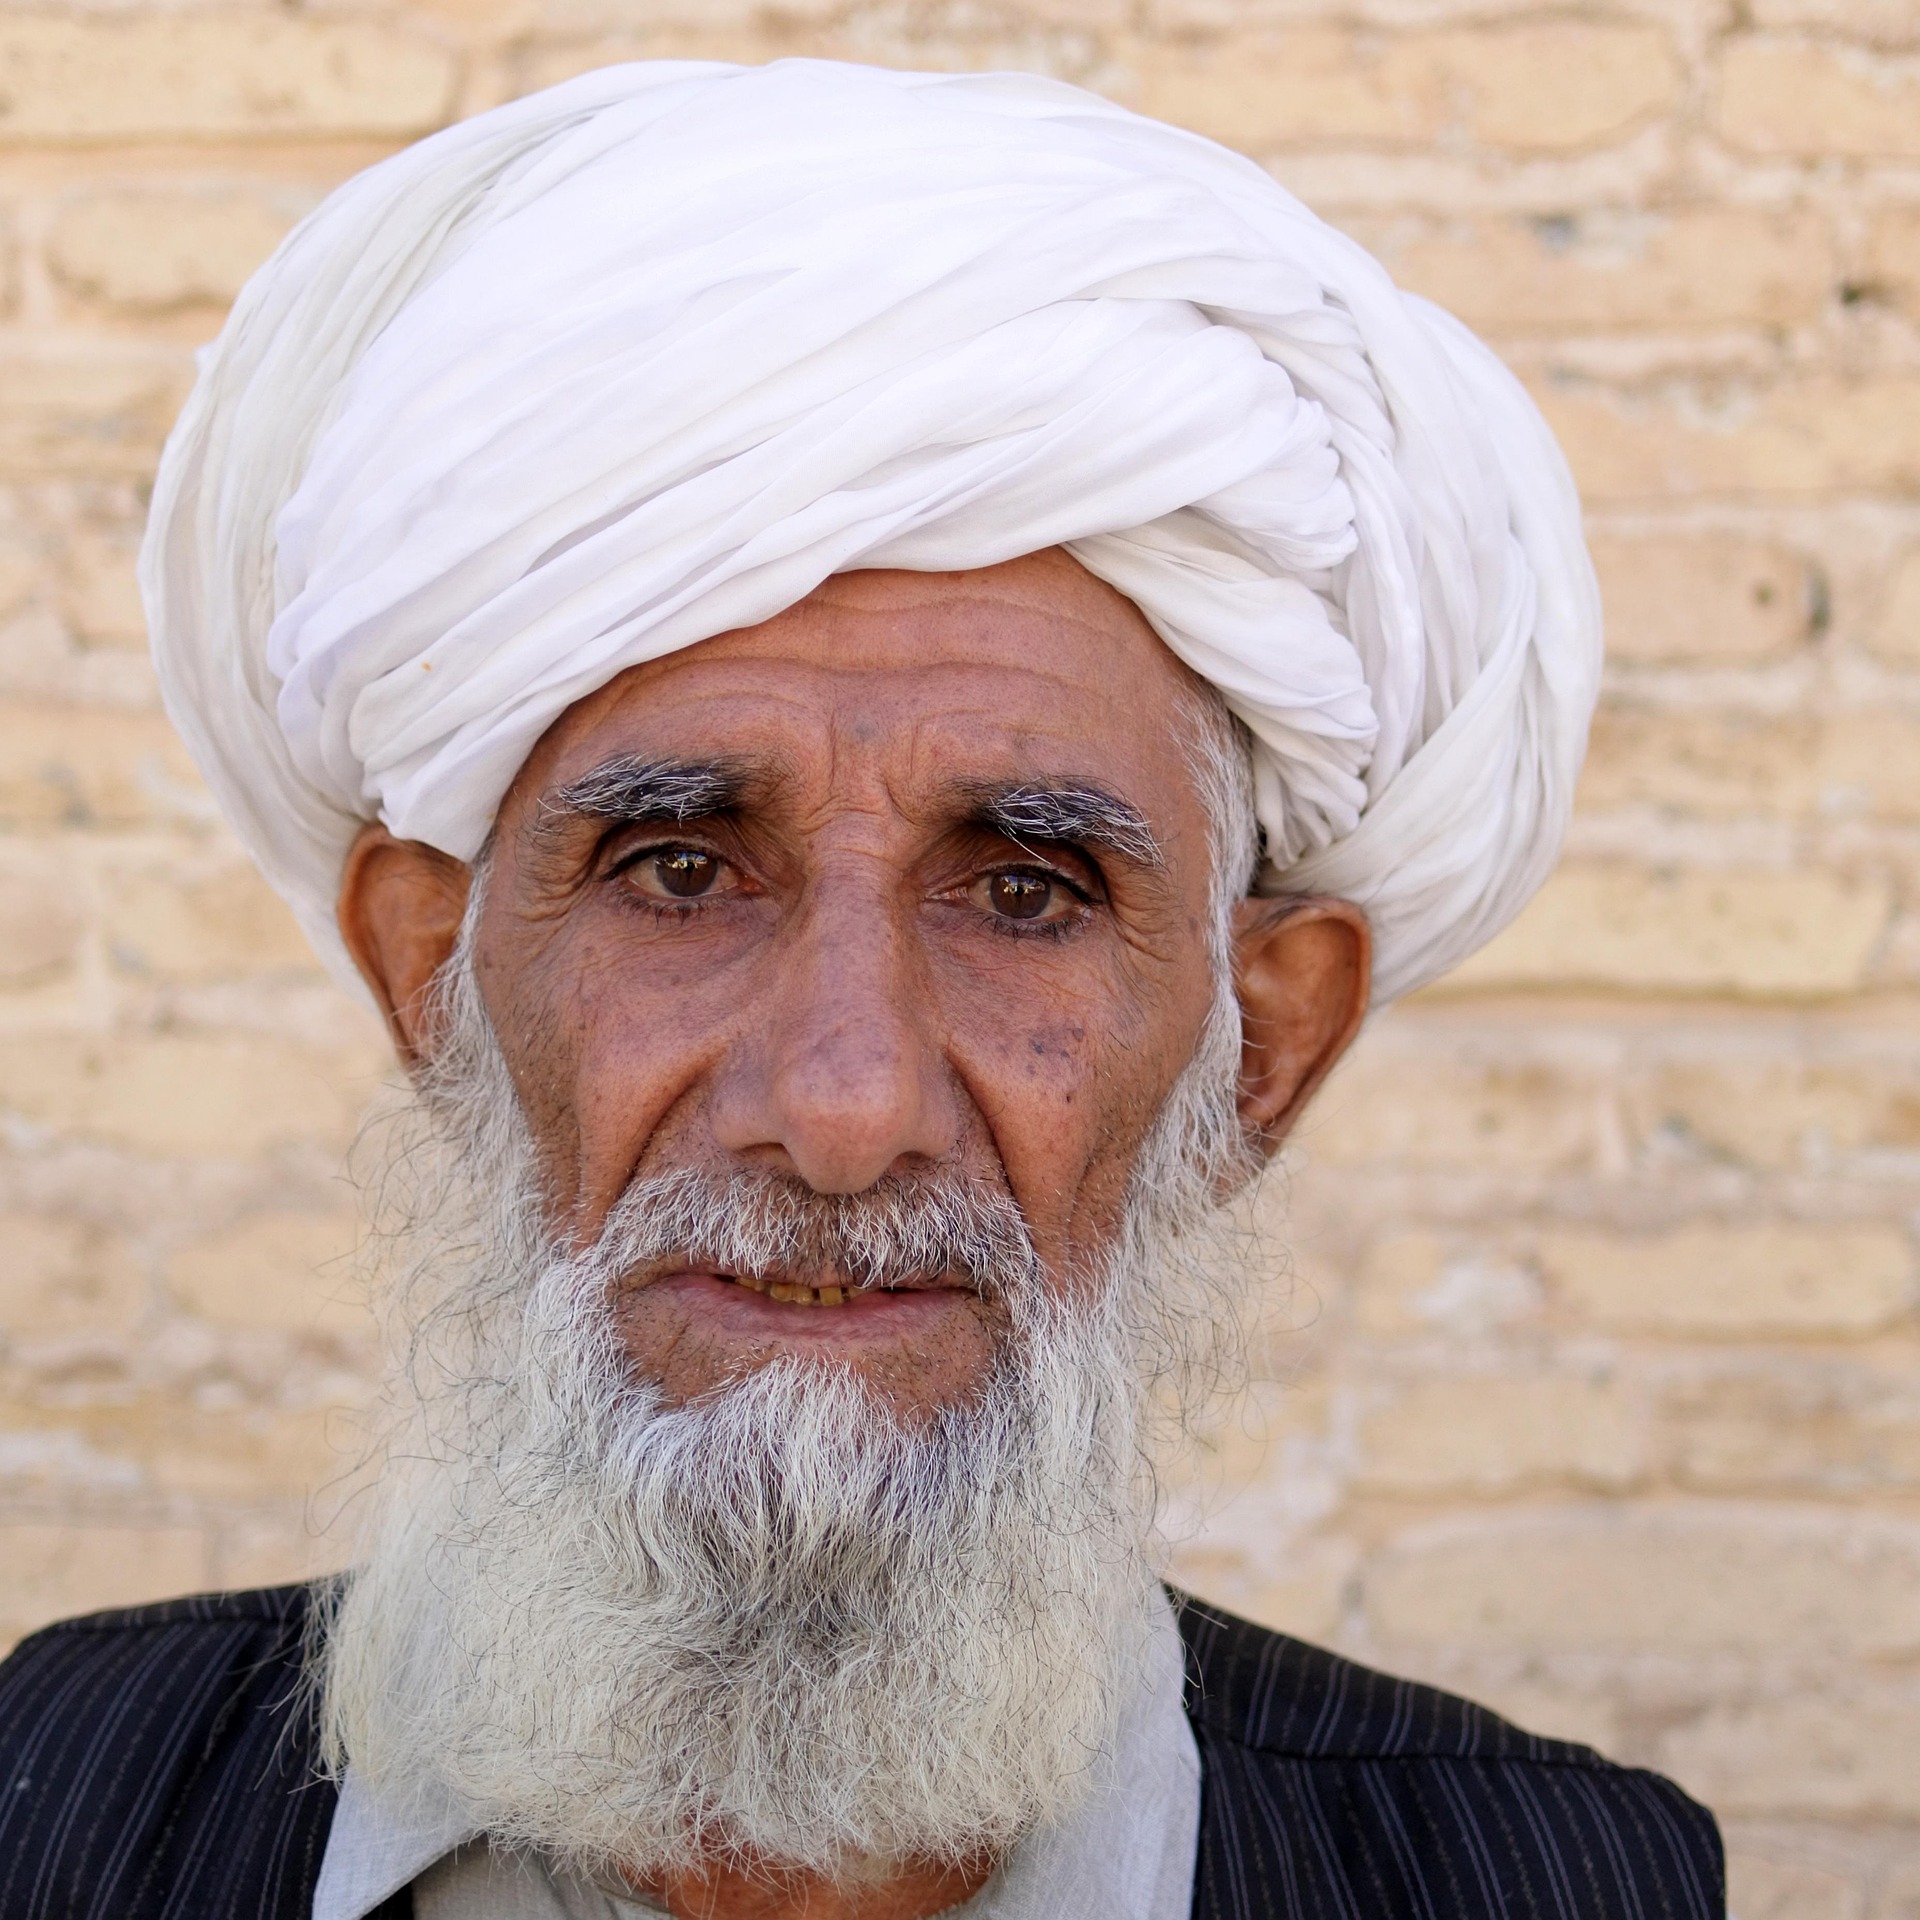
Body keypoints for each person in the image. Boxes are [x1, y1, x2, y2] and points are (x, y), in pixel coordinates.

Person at [0, 58, 1722, 1920]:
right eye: (676, 872)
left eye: (1026, 893)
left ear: (1262, 1048)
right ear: (436, 983)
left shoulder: (1552, 1881)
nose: (840, 1108)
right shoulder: (58, 1807)